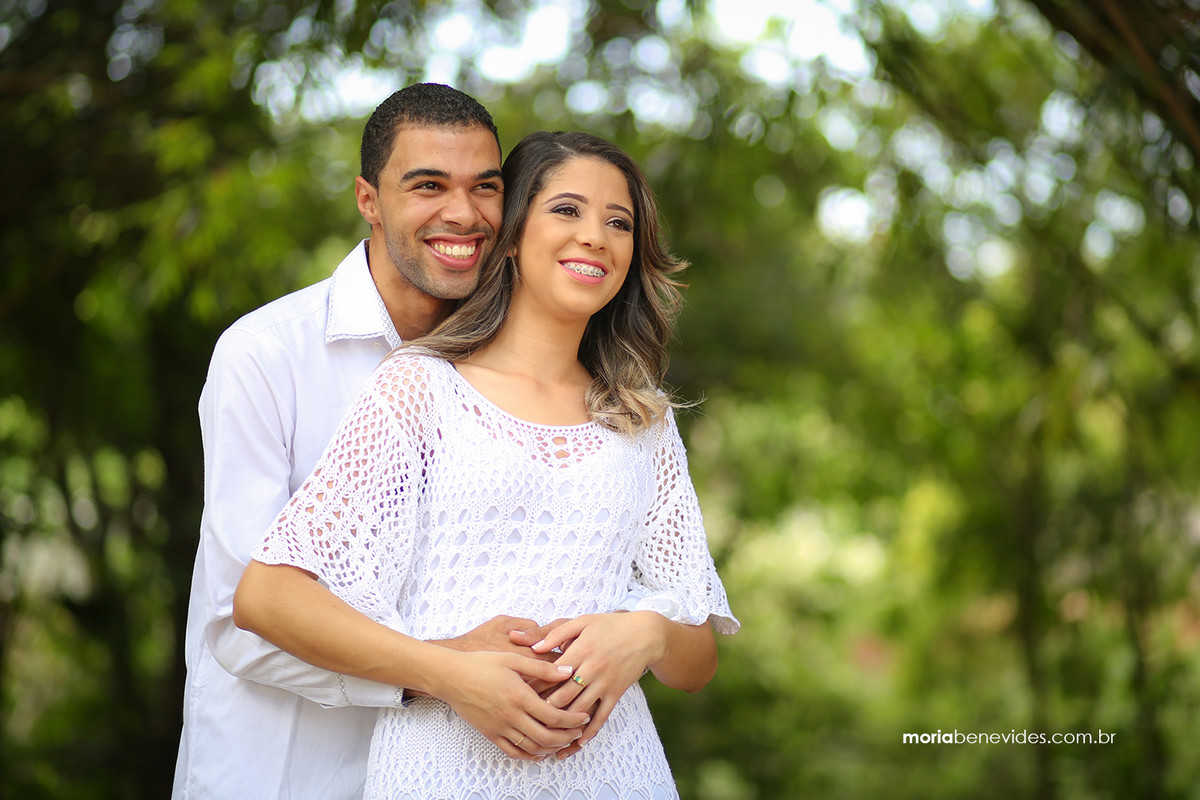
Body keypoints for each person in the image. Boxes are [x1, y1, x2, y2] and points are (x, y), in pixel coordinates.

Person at [233, 130, 740, 799]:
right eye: (567, 210)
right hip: (439, 773)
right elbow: (267, 597)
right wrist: (449, 674)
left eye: (619, 222)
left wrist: (645, 635)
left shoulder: (641, 420)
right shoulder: (420, 389)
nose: (595, 236)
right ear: (513, 235)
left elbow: (696, 662)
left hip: (618, 776)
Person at [172, 84, 593, 800]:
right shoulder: (267, 355)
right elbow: (237, 621)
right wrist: (446, 672)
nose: (463, 214)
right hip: (281, 777)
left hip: (457, 775)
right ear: (368, 199)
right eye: (428, 185)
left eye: (485, 187)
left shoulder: (524, 371)